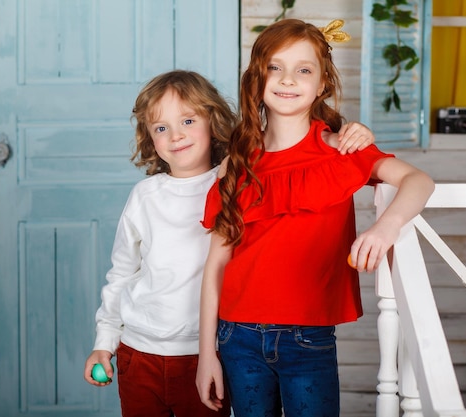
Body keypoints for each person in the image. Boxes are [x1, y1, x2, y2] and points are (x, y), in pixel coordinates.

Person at [83, 70, 376, 417]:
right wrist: (104, 343)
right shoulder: (144, 196)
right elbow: (121, 273)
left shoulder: (237, 177)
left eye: (188, 120)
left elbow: (294, 146)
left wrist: (353, 133)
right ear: (150, 137)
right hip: (138, 353)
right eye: (161, 128)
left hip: (209, 351)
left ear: (213, 121)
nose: (176, 136)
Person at [195, 19, 435, 417]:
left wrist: (384, 228)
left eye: (303, 69)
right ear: (257, 78)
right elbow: (215, 264)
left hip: (307, 339)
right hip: (236, 337)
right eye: (275, 67)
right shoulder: (236, 164)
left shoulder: (342, 149)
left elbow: (418, 180)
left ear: (322, 83)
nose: (288, 79)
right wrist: (207, 354)